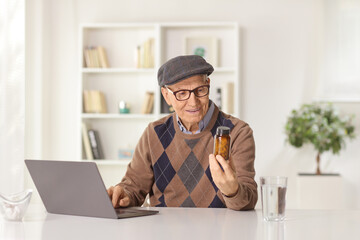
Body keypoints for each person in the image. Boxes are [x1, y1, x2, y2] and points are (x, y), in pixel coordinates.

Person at [107, 55, 257, 210]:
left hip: (218, 231)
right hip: (163, 232)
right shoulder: (154, 133)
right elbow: (133, 188)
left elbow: (249, 201)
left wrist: (233, 191)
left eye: (200, 90)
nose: (193, 102)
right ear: (166, 96)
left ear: (208, 85)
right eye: (182, 93)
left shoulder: (238, 132)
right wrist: (123, 195)